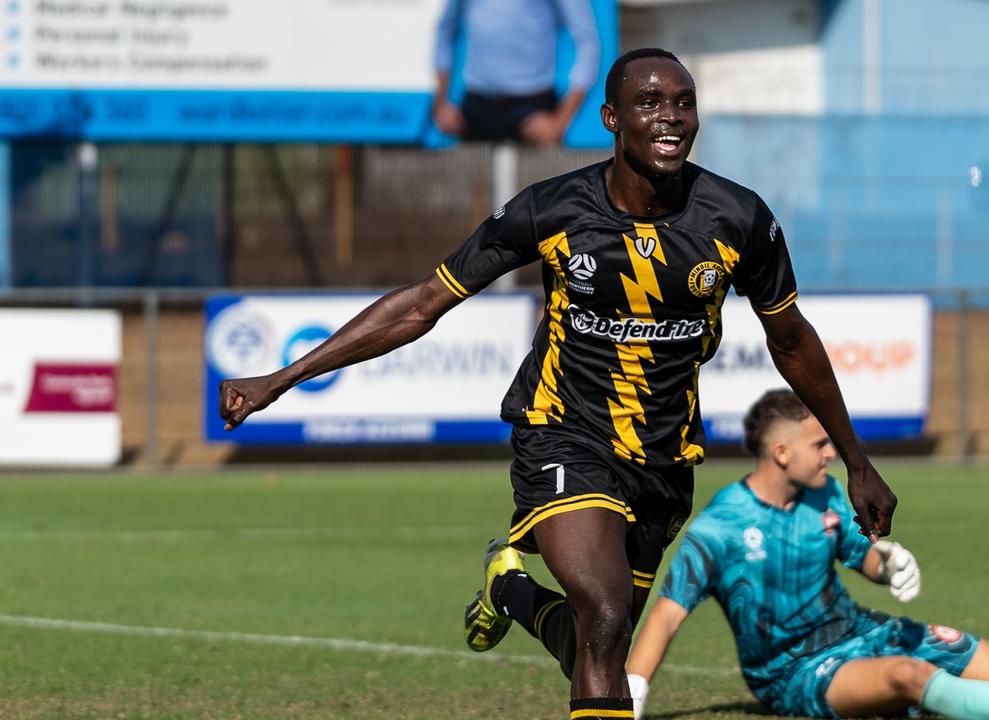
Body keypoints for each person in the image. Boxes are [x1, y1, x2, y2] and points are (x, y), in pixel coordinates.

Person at [219, 48, 897, 720]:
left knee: (598, 641)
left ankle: (510, 591)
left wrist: (857, 462)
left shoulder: (739, 219)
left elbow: (792, 341)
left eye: (683, 103)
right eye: (650, 102)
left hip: (663, 456)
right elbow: (424, 302)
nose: (671, 117)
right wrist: (283, 377)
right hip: (563, 436)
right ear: (610, 117)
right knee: (603, 614)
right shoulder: (553, 209)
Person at [624, 389, 989, 720]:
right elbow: (666, 616)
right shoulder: (720, 526)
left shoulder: (826, 493)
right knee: (910, 675)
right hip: (793, 671)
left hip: (861, 630)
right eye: (819, 444)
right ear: (780, 453)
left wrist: (891, 562)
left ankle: (926, 697)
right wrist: (631, 693)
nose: (830, 454)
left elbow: (865, 558)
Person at [432, 0, 600, 145]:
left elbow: (587, 41)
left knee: (540, 181)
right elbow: (445, 30)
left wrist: (560, 121)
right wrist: (440, 106)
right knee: (471, 181)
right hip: (475, 108)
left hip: (532, 110)